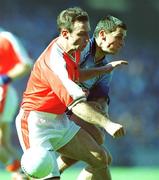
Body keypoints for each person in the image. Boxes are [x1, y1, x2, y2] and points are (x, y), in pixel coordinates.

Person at [15, 7, 125, 180]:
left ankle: (26, 175)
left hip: (60, 120)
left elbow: (77, 75)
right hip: (36, 123)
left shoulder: (73, 49)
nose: (87, 38)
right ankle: (25, 175)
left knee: (100, 158)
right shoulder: (55, 62)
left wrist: (104, 69)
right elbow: (77, 104)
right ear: (65, 33)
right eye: (82, 34)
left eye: (88, 32)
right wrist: (108, 124)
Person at [57, 15, 128, 175]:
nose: (122, 43)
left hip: (72, 109)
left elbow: (100, 97)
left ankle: (49, 174)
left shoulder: (105, 67)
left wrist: (101, 108)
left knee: (101, 152)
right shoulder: (80, 49)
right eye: (118, 37)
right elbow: (71, 75)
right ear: (102, 34)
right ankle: (49, 173)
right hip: (55, 108)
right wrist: (106, 123)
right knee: (99, 148)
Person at [0, 28, 32, 177]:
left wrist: (2, 79)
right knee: (3, 143)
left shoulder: (5, 37)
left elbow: (25, 64)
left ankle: (19, 171)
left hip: (3, 93)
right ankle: (25, 172)